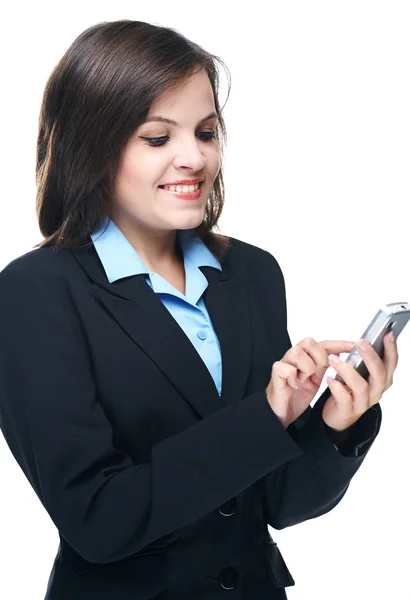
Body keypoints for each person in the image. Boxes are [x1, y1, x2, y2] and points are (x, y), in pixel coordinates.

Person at [0, 19, 399, 600]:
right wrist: (264, 416)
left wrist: (335, 424)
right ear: (92, 145)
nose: (194, 157)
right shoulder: (35, 292)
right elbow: (97, 520)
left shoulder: (252, 273)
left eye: (206, 131)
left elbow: (276, 503)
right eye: (158, 138)